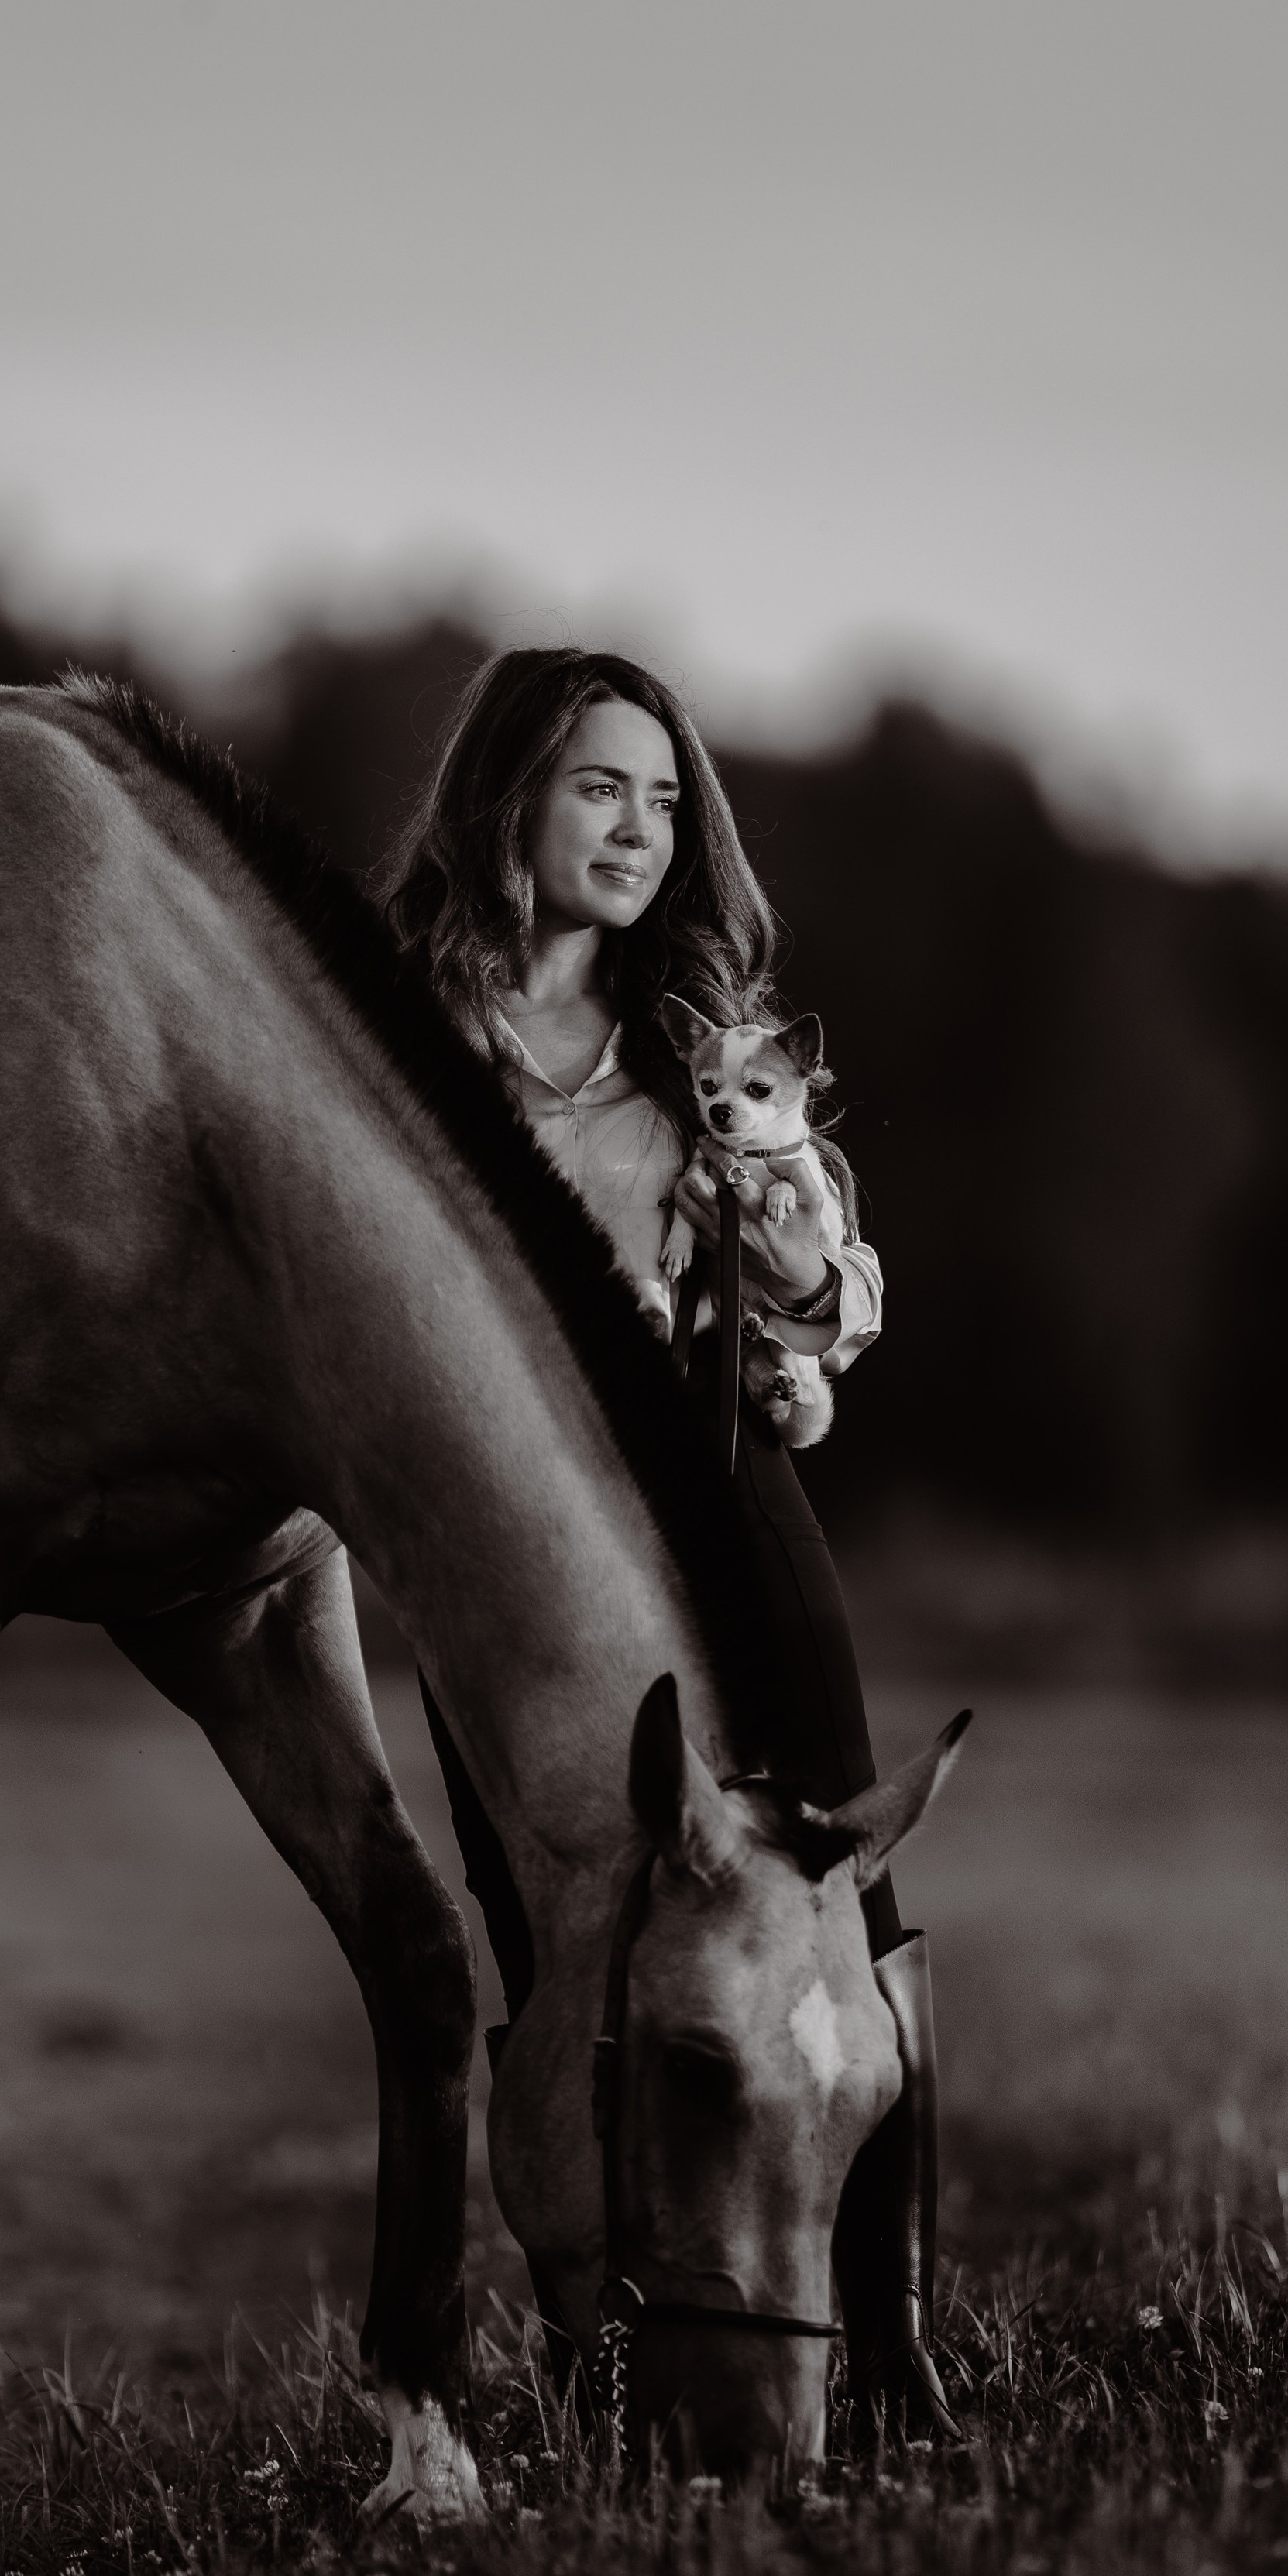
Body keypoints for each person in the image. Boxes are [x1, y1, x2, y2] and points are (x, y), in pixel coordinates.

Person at [380, 644, 949, 2428]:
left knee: (842, 1891)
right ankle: (604, 2344)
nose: (639, 828)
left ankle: (888, 2333)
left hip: (715, 1497)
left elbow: (832, 1309)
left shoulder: (702, 1050)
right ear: (505, 803)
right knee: (546, 1924)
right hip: (489, 1548)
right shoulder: (390, 1033)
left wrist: (788, 1267)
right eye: (595, 787)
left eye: (660, 795)